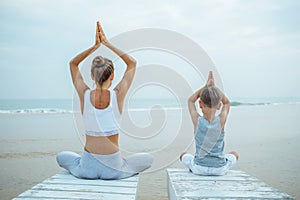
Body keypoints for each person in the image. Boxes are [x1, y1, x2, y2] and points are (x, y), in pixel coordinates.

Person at [56, 21, 153, 180]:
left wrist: (94, 46)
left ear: (92, 76)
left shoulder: (84, 94)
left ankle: (82, 165)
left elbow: (73, 64)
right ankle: (120, 167)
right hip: (113, 169)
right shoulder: (118, 94)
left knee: (61, 157)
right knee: (148, 159)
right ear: (113, 76)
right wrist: (107, 43)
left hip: (86, 168)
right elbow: (132, 63)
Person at [180, 71, 238, 175]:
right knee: (234, 154)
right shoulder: (221, 120)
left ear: (200, 104)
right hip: (219, 169)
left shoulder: (197, 120)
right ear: (219, 106)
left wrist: (206, 87)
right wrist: (214, 88)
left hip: (199, 168)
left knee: (183, 155)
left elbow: (190, 101)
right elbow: (227, 102)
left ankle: (192, 167)